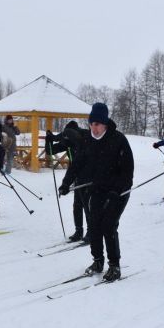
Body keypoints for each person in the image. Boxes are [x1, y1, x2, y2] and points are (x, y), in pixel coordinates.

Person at [59, 103, 134, 282]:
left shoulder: (118, 139)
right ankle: (98, 261)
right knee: (94, 225)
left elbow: (127, 170)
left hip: (118, 191)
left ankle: (114, 266)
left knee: (108, 225)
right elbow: (77, 163)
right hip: (99, 188)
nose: (95, 127)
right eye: (92, 123)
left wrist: (119, 189)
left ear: (106, 123)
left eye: (98, 124)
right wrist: (66, 183)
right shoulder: (87, 140)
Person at [46, 120, 91, 242]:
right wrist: (48, 140)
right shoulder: (69, 141)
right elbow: (50, 151)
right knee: (77, 205)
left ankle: (91, 232)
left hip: (89, 176)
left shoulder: (85, 137)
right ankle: (79, 231)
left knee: (87, 205)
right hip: (76, 174)